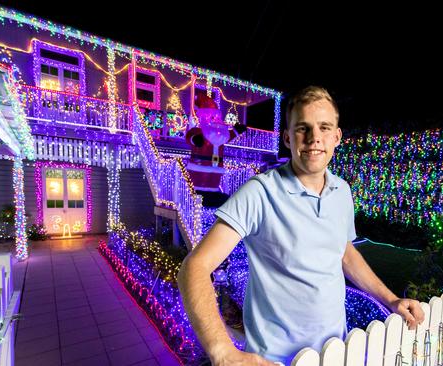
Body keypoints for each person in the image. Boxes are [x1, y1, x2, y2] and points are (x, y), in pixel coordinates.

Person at [178, 86, 425, 365]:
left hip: (335, 351)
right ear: (287, 137)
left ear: (337, 137)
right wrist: (223, 352)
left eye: (324, 127)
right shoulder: (259, 193)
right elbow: (194, 267)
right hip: (274, 359)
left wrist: (391, 300)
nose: (314, 138)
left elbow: (343, 252)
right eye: (302, 128)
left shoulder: (342, 191)